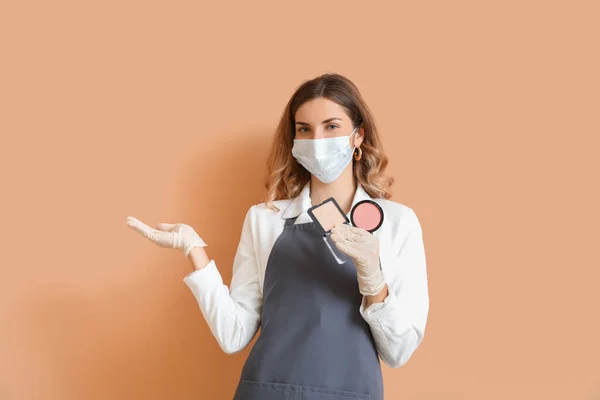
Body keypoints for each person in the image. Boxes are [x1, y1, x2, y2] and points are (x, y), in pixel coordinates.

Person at [126, 73, 429, 400]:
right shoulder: (265, 219)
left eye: (331, 127)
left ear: (358, 136)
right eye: (304, 129)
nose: (317, 140)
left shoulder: (397, 222)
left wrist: (374, 279)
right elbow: (233, 335)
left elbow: (398, 352)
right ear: (294, 140)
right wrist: (194, 250)